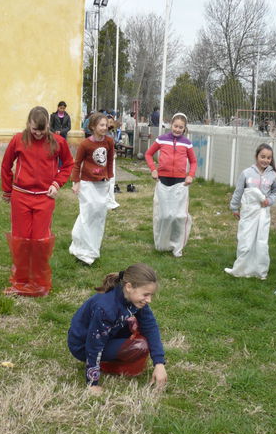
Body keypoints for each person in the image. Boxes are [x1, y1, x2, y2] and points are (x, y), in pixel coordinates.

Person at [0, 106, 73, 296]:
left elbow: (68, 164)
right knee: (22, 240)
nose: (39, 134)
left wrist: (57, 184)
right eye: (35, 130)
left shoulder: (58, 142)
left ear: (48, 125)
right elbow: (6, 164)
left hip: (44, 197)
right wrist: (7, 190)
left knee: (40, 241)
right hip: (21, 196)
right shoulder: (18, 139)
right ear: (28, 125)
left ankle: (40, 283)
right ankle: (20, 282)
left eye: (42, 130)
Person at [67, 263, 167, 394]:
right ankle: (107, 364)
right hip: (83, 346)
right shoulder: (106, 308)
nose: (149, 300)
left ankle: (111, 357)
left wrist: (159, 363)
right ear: (129, 287)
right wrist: (92, 383)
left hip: (107, 334)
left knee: (138, 326)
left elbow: (150, 326)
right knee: (139, 346)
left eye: (151, 295)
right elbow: (94, 345)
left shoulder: (132, 298)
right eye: (146, 294)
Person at [225, 143, 276, 280]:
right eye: (262, 157)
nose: (265, 160)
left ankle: (259, 270)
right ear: (256, 156)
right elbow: (238, 191)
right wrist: (234, 207)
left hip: (263, 212)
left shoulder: (272, 175)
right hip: (248, 212)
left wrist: (269, 200)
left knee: (261, 241)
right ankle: (240, 269)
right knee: (245, 240)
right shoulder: (246, 173)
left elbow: (275, 191)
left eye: (268, 158)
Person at [144, 112, 197, 257]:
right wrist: (153, 170)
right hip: (163, 182)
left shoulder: (187, 143)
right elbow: (148, 154)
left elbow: (193, 161)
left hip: (180, 183)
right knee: (165, 215)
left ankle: (177, 246)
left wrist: (190, 175)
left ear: (184, 128)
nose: (177, 129)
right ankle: (162, 244)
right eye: (175, 126)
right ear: (171, 125)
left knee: (179, 217)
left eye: (181, 127)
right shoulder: (161, 140)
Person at [69, 112, 114, 265]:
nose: (105, 127)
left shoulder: (109, 142)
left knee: (99, 215)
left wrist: (110, 177)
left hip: (102, 183)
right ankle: (83, 250)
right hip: (87, 183)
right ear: (93, 127)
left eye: (106, 125)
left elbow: (109, 162)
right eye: (101, 125)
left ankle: (93, 246)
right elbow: (77, 163)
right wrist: (76, 181)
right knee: (87, 214)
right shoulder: (85, 144)